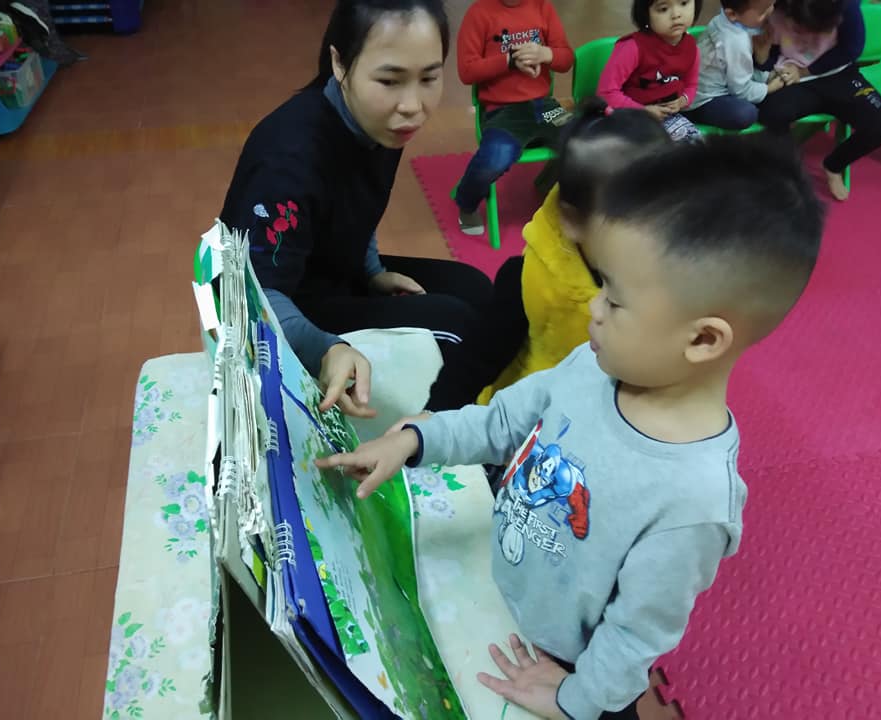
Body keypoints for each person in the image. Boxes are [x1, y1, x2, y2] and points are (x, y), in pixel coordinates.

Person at [318, 134, 824, 719]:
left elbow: (634, 637)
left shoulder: (693, 501)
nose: (593, 308)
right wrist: (414, 439)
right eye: (601, 282)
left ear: (703, 339)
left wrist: (572, 701)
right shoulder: (591, 364)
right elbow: (502, 421)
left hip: (574, 673)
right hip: (506, 599)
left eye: (616, 299)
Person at [220, 0, 493, 417]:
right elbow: (251, 295)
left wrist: (372, 271)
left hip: (336, 276)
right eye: (390, 80)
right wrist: (325, 349)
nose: (413, 105)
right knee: (459, 329)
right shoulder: (289, 158)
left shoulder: (380, 122)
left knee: (475, 288)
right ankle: (441, 438)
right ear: (339, 63)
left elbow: (358, 203)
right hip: (287, 305)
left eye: (429, 78)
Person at [426, 99, 671, 411]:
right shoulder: (526, 280)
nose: (653, 235)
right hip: (527, 416)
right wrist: (430, 421)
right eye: (628, 221)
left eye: (664, 214)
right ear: (572, 220)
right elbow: (476, 360)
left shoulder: (666, 279)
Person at [453, 0, 574, 235]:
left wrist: (545, 53)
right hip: (502, 111)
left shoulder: (542, 7)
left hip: (544, 106)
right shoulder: (479, 13)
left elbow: (566, 60)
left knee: (581, 141)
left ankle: (546, 183)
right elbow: (467, 71)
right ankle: (466, 203)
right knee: (495, 158)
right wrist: (509, 60)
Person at [755, 0, 881, 201]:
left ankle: (834, 165)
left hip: (837, 73)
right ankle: (787, 166)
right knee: (771, 112)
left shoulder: (846, 5)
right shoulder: (775, 8)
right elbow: (766, 49)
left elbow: (851, 49)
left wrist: (805, 71)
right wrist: (768, 66)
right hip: (791, 72)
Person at [598, 0, 703, 142]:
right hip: (627, 115)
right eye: (663, 9)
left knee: (697, 145)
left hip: (666, 117)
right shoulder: (632, 47)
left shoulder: (692, 48)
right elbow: (606, 93)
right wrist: (643, 111)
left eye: (684, 3)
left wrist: (682, 101)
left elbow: (691, 85)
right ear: (646, 14)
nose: (676, 14)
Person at [685, 0, 797, 130]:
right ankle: (690, 117)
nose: (770, 12)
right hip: (704, 100)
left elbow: (733, 70)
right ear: (732, 14)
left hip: (706, 84)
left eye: (772, 4)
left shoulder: (724, 18)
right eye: (762, 12)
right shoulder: (737, 42)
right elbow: (740, 90)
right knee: (746, 113)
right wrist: (769, 88)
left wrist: (766, 76)